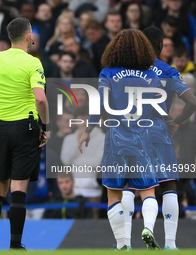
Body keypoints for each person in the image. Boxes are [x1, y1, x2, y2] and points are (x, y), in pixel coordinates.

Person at [78, 29, 164, 250]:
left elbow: (100, 104)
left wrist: (88, 129)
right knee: (148, 191)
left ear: (114, 49)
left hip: (116, 139)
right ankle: (148, 229)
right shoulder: (152, 75)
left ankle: (122, 244)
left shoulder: (107, 73)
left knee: (114, 194)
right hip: (143, 139)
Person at [0, 17, 49, 249]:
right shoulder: (32, 62)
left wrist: (1, 102)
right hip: (24, 128)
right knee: (18, 188)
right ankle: (15, 246)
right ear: (28, 37)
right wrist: (45, 127)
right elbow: (40, 98)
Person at [122, 26, 196, 250]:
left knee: (130, 186)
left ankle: (124, 241)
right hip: (159, 132)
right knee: (169, 185)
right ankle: (171, 244)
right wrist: (176, 122)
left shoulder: (124, 72)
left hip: (131, 133)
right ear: (161, 46)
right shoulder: (169, 71)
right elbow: (192, 102)